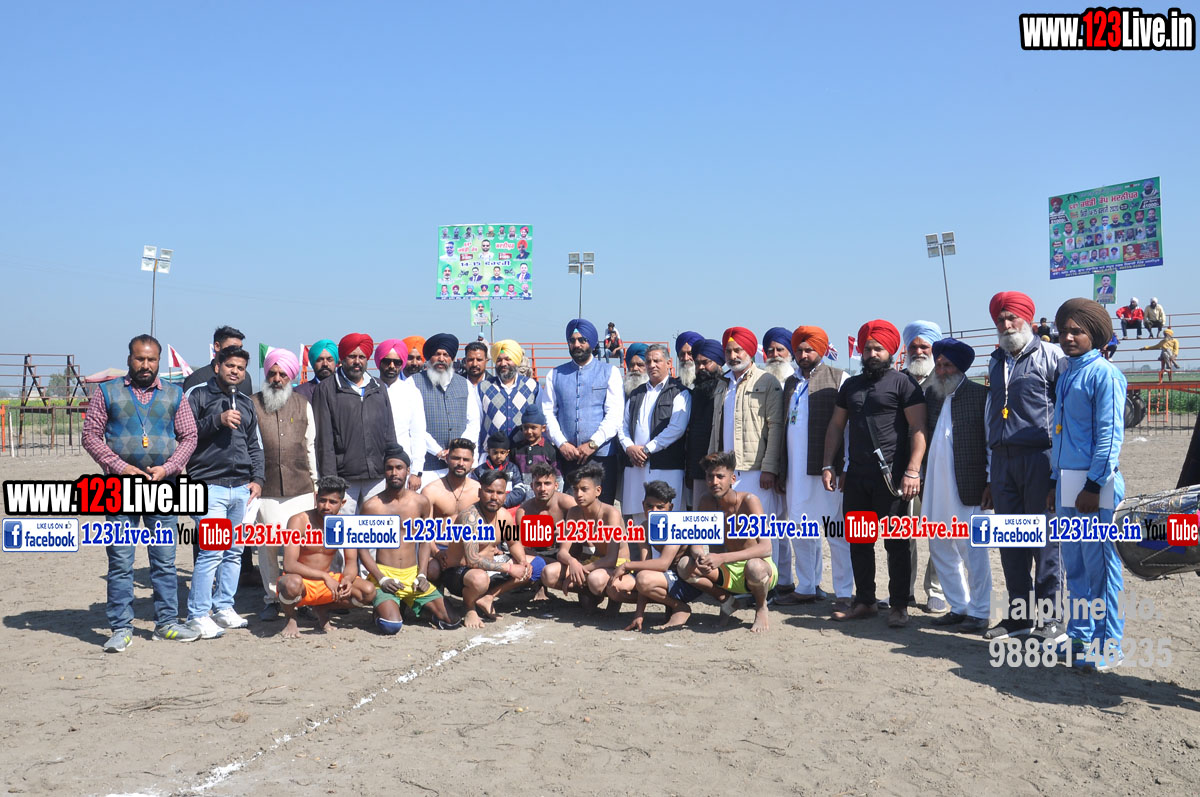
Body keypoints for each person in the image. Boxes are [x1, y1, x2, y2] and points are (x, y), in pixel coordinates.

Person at [82, 334, 200, 650]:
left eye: (151, 359)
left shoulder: (175, 394)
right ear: (129, 359)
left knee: (164, 560)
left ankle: (167, 623)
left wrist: (170, 467)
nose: (145, 365)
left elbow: (189, 436)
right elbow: (90, 435)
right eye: (140, 358)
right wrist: (120, 467)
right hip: (120, 490)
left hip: (163, 489)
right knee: (121, 561)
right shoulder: (107, 392)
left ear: (158, 361)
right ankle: (121, 628)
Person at [823, 320, 926, 628]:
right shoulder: (851, 386)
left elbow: (918, 428)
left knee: (896, 543)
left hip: (892, 478)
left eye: (878, 348)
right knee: (859, 541)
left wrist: (912, 471)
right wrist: (829, 464)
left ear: (891, 352)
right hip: (857, 476)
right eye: (867, 348)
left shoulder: (904, 384)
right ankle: (866, 601)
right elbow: (836, 426)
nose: (871, 354)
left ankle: (899, 605)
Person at [983, 291, 1065, 642]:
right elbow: (991, 414)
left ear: (1028, 319)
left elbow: (1063, 413)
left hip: (1039, 459)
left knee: (1045, 541)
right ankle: (1019, 618)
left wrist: (1057, 472)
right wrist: (990, 474)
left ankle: (1051, 618)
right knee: (1011, 543)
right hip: (1003, 462)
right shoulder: (995, 361)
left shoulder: (1052, 356)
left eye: (1011, 317)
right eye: (1000, 319)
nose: (1006, 324)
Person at [1052, 299, 1127, 669]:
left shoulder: (1105, 375)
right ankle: (1080, 635)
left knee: (1101, 567)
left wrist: (1095, 486)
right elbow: (1061, 435)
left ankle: (1108, 643)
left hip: (1095, 488)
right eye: (1064, 331)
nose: (1068, 337)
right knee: (1076, 566)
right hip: (1067, 485)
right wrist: (1054, 481)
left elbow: (1110, 438)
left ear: (1095, 335)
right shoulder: (1067, 374)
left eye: (1077, 331)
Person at [185, 345, 264, 638]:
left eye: (241, 368)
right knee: (211, 551)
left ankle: (224, 607)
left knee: (234, 552)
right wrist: (216, 420)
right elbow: (186, 434)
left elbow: (255, 445)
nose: (235, 371)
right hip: (208, 485)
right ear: (217, 366)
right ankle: (198, 614)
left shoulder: (245, 403)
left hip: (241, 487)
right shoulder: (197, 396)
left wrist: (258, 479)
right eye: (230, 365)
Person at [776, 326, 852, 609]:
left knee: (835, 530)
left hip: (826, 470)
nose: (804, 355)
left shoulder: (839, 378)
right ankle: (807, 586)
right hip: (795, 472)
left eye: (809, 350)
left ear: (821, 350)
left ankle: (844, 593)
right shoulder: (790, 382)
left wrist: (842, 465)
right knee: (800, 529)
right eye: (799, 350)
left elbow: (846, 427)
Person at [923, 339, 991, 634]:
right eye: (938, 365)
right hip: (935, 486)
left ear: (961, 368)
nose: (941, 370)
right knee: (939, 545)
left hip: (969, 484)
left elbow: (991, 443)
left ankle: (980, 611)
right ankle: (959, 606)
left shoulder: (980, 395)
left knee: (972, 550)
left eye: (947, 365)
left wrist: (990, 481)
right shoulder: (932, 395)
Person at [357, 446, 461, 632]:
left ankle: (413, 606)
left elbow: (425, 541)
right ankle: (382, 610)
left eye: (399, 468)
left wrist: (422, 574)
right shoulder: (372, 506)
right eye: (389, 468)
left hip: (412, 575)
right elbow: (362, 548)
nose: (394, 473)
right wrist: (381, 578)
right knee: (391, 626)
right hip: (385, 574)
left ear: (407, 470)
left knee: (452, 621)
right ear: (384, 471)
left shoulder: (420, 502)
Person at [250, 348, 318, 622]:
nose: (277, 379)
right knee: (267, 546)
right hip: (265, 489)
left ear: (291, 377)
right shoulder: (252, 403)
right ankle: (272, 599)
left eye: (282, 374)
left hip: (300, 487)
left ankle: (302, 597)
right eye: (272, 373)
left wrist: (316, 483)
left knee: (300, 546)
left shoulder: (303, 404)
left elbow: (311, 446)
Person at [683, 451, 777, 633]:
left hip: (758, 568)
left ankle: (761, 607)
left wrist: (722, 558)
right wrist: (700, 556)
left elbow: (766, 548)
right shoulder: (705, 502)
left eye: (720, 476)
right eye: (710, 477)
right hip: (727, 571)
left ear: (732, 479)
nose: (714, 482)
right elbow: (696, 542)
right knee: (685, 565)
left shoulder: (749, 501)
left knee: (755, 567)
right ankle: (727, 601)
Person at [430, 470, 533, 628]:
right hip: (459, 573)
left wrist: (522, 561)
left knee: (533, 565)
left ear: (505, 495)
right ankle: (469, 607)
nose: (494, 497)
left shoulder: (504, 515)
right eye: (489, 491)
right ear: (480, 492)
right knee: (480, 579)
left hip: (489, 569)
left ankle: (487, 598)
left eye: (499, 493)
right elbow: (472, 560)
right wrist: (510, 568)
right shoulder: (470, 517)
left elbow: (513, 543)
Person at [277, 476, 377, 638]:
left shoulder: (344, 524)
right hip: (301, 582)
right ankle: (290, 618)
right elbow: (289, 564)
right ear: (316, 498)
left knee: (368, 592)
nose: (326, 506)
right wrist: (324, 576)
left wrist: (348, 579)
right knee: (291, 584)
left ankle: (322, 608)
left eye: (333, 502)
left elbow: (351, 562)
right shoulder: (299, 521)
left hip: (327, 583)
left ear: (342, 503)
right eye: (322, 500)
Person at [311, 333, 398, 513]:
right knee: (342, 527)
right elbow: (324, 440)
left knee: (376, 524)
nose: (357, 361)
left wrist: (392, 466)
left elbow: (389, 431)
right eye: (352, 356)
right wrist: (330, 481)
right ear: (342, 359)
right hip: (343, 478)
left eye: (362, 357)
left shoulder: (379, 387)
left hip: (377, 475)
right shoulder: (326, 389)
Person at [541, 319, 624, 505]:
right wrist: (562, 444)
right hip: (567, 458)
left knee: (601, 512)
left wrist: (592, 444)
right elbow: (548, 413)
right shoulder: (554, 375)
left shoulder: (610, 372)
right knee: (569, 511)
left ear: (592, 342)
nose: (577, 344)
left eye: (582, 340)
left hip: (601, 458)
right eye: (572, 341)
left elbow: (615, 414)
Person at [708, 327, 785, 523]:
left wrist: (769, 468)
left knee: (761, 527)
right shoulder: (722, 383)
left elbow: (775, 426)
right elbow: (715, 426)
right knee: (732, 527)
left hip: (756, 470)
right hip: (727, 470)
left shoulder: (767, 381)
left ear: (749, 351)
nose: (733, 356)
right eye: (728, 351)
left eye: (738, 350)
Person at [608, 481, 703, 631]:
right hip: (664, 579)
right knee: (615, 588)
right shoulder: (644, 528)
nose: (654, 511)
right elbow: (645, 565)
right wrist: (639, 614)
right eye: (649, 506)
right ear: (643, 505)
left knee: (644, 579)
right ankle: (668, 603)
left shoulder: (676, 525)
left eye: (660, 507)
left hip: (687, 581)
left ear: (670, 507)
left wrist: (626, 565)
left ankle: (679, 607)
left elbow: (663, 564)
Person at [901, 320, 947, 612]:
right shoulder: (898, 380)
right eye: (913, 347)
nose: (918, 351)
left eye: (924, 347)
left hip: (939, 470)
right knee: (902, 532)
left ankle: (936, 590)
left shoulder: (946, 379)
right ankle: (903, 591)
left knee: (939, 531)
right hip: (904, 471)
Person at [539, 463, 628, 610]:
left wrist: (581, 569)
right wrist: (573, 562)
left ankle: (612, 599)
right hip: (595, 562)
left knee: (595, 580)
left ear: (598, 491)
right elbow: (562, 552)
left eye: (584, 489)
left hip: (617, 565)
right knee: (548, 573)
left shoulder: (610, 513)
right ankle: (589, 593)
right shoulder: (574, 512)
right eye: (575, 489)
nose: (579, 494)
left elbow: (612, 559)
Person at [619, 344, 691, 525]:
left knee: (668, 520)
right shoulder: (636, 393)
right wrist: (629, 448)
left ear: (668, 363)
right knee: (638, 521)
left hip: (666, 467)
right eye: (649, 361)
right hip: (636, 467)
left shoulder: (679, 391)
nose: (652, 365)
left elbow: (676, 428)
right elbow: (622, 426)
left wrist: (646, 449)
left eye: (657, 361)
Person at [412, 333, 482, 483]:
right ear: (429, 358)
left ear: (452, 359)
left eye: (446, 355)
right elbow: (413, 426)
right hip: (427, 467)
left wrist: (458, 449)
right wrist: (438, 452)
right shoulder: (413, 383)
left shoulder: (465, 384)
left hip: (460, 466)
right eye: (437, 354)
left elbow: (473, 422)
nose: (441, 359)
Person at [513, 461, 576, 599]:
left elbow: (587, 531)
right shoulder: (524, 511)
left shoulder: (568, 503)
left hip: (568, 555)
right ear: (532, 486)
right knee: (517, 557)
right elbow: (520, 545)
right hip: (539, 556)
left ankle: (580, 586)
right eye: (538, 484)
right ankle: (539, 582)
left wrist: (565, 532)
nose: (542, 488)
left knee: (588, 602)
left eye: (547, 483)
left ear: (556, 485)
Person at [375, 339, 427, 488]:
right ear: (379, 362)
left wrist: (416, 471)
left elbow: (418, 434)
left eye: (397, 362)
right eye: (387, 361)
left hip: (402, 467)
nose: (392, 366)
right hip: (374, 468)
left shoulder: (411, 392)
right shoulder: (369, 389)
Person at [683, 339, 725, 509]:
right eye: (697, 363)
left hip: (723, 465)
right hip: (698, 467)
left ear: (719, 363)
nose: (701, 367)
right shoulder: (695, 393)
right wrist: (691, 471)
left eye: (706, 362)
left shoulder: (728, 390)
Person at [478, 340, 541, 447]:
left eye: (508, 359)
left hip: (523, 452)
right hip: (492, 452)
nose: (503, 364)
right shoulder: (483, 387)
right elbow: (476, 422)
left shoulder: (532, 386)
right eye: (499, 360)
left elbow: (541, 419)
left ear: (516, 361)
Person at [182, 325, 254, 396]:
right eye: (233, 347)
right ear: (217, 346)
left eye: (240, 348)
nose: (237, 351)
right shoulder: (197, 379)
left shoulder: (245, 379)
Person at [421, 438, 481, 520]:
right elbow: (426, 526)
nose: (461, 463)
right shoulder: (430, 491)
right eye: (456, 458)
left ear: (472, 462)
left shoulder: (478, 490)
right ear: (447, 458)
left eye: (466, 460)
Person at [471, 432, 528, 508]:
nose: (498, 456)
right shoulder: (480, 471)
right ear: (488, 451)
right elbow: (474, 491)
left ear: (507, 453)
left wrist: (501, 501)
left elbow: (520, 490)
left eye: (502, 452)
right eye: (495, 452)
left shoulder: (513, 469)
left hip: (509, 510)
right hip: (486, 509)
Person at [509, 405, 561, 488]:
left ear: (543, 428)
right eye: (525, 427)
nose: (529, 431)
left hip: (543, 492)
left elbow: (558, 477)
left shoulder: (550, 450)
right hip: (520, 494)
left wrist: (555, 494)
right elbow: (511, 474)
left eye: (533, 428)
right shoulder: (516, 449)